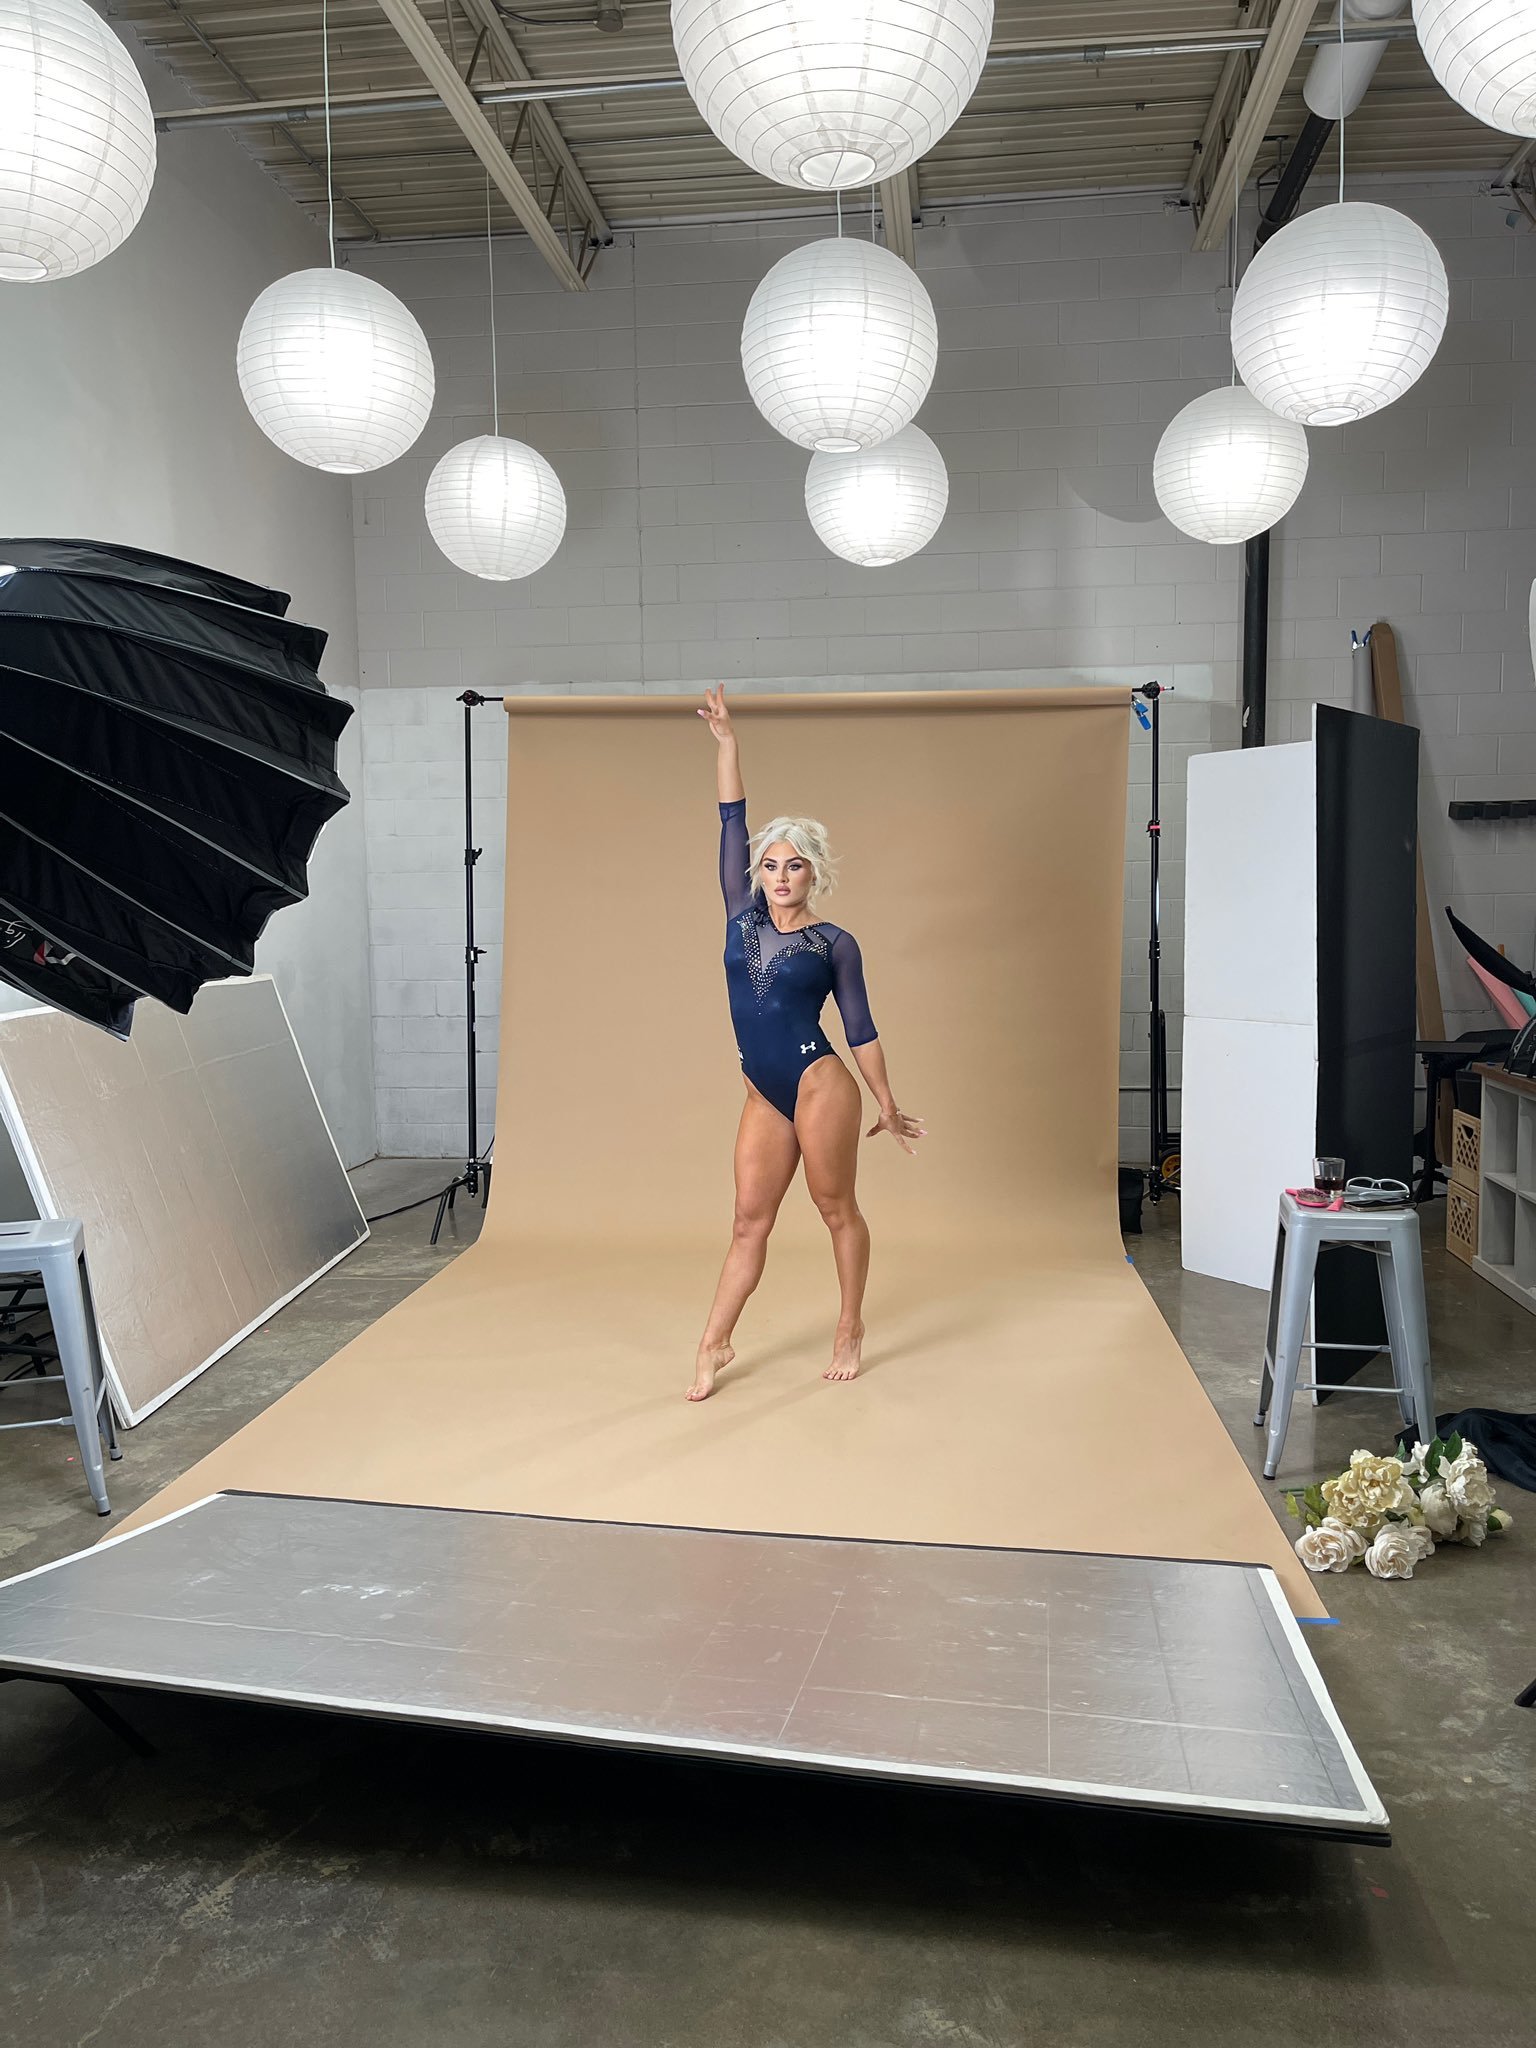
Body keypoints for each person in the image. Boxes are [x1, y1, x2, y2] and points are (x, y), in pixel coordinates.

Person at [689, 684, 925, 1402]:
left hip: (820, 1084)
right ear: (755, 872)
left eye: (794, 865)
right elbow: (731, 817)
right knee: (747, 1221)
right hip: (764, 1091)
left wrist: (886, 1103)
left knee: (834, 1208)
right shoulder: (740, 917)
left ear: (813, 871)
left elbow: (861, 1030)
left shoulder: (834, 943)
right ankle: (714, 1342)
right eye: (770, 864)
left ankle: (850, 1326)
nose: (780, 876)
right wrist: (728, 743)